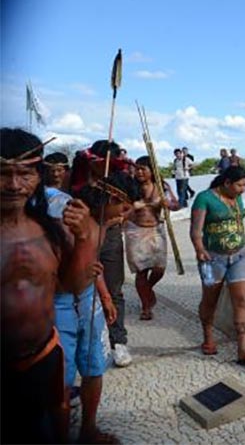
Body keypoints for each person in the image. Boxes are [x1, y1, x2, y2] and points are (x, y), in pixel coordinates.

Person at [1, 128, 97, 443]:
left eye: (25, 174)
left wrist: (84, 237)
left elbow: (70, 287)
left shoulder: (51, 231)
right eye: (2, 174)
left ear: (39, 176)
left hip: (42, 356)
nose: (14, 185)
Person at [57, 173, 133, 444]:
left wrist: (104, 296)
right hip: (61, 303)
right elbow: (69, 279)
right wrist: (82, 246)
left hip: (89, 298)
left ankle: (88, 428)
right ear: (113, 198)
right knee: (60, 380)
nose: (124, 216)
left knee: (94, 366)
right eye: (123, 208)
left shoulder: (104, 223)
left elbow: (92, 265)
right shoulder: (69, 219)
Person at [71, 139, 134, 367]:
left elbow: (131, 204)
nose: (106, 167)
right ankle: (83, 339)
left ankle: (118, 340)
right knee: (83, 284)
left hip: (111, 235)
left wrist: (119, 217)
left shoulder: (119, 177)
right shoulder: (77, 176)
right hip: (82, 233)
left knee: (113, 288)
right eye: (102, 162)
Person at [190, 166, 245, 366]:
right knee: (210, 299)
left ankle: (243, 348)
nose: (243, 189)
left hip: (240, 256)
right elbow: (196, 230)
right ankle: (208, 337)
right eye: (239, 184)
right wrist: (199, 248)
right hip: (212, 260)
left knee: (242, 300)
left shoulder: (236, 197)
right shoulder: (204, 198)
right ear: (226, 183)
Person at [125, 156, 180, 320]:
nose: (139, 172)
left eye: (143, 168)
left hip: (156, 230)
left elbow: (176, 205)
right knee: (141, 271)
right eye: (137, 168)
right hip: (135, 232)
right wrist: (133, 207)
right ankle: (146, 306)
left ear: (152, 170)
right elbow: (121, 212)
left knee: (159, 269)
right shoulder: (130, 187)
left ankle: (147, 289)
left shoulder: (162, 187)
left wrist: (166, 204)